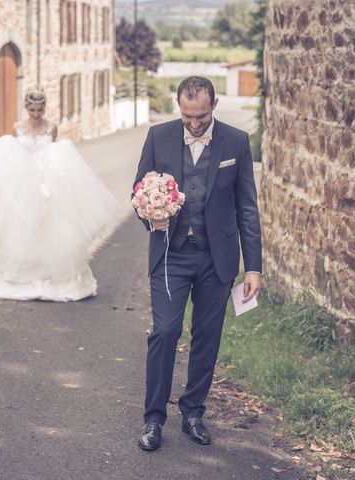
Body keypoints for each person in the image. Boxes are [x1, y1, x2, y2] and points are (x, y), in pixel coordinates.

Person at [132, 76, 262, 451]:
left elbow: (247, 209)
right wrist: (151, 215)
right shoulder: (158, 137)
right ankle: (154, 418)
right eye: (188, 116)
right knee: (166, 332)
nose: (194, 123)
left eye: (201, 116)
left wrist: (253, 267)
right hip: (171, 255)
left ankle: (193, 412)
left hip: (216, 260)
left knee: (207, 338)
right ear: (179, 107)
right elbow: (138, 191)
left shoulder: (235, 141)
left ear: (214, 105)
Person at [0, 88, 120, 301]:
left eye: (40, 110)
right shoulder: (18, 129)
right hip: (21, 184)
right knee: (18, 226)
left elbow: (52, 155)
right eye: (32, 110)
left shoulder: (51, 128)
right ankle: (14, 277)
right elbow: (14, 157)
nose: (36, 114)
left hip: (45, 183)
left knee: (48, 227)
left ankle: (53, 277)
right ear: (26, 108)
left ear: (44, 108)